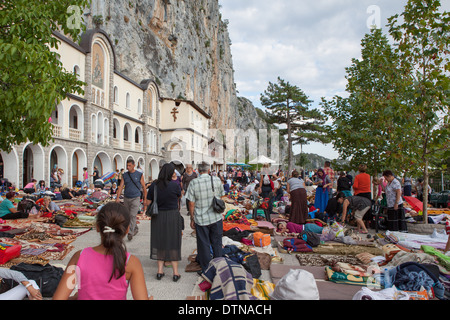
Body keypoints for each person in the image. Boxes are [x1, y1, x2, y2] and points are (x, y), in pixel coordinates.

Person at [53, 202, 150, 300]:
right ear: (127, 230)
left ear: (98, 227)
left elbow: (59, 298)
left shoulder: (79, 257)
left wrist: (74, 298)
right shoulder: (131, 262)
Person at [145, 163, 183, 282]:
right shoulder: (175, 186)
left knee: (160, 241)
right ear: (170, 173)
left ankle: (160, 271)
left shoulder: (154, 186)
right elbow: (179, 197)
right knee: (173, 242)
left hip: (158, 216)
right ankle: (175, 273)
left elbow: (147, 202)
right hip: (172, 215)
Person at [186, 162, 225, 273]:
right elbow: (222, 197)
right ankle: (219, 267)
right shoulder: (217, 180)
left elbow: (191, 203)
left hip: (201, 219)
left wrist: (192, 218)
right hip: (216, 217)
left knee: (204, 245)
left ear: (198, 170)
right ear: (209, 170)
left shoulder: (194, 183)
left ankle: (207, 270)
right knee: (217, 243)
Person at [116, 159, 147, 241]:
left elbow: (144, 187)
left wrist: (145, 199)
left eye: (129, 165)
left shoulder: (139, 174)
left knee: (133, 215)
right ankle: (135, 228)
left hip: (136, 197)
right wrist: (117, 197)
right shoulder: (125, 175)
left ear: (134, 165)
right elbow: (121, 186)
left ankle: (130, 232)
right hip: (126, 197)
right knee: (128, 215)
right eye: (127, 166)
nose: (128, 167)